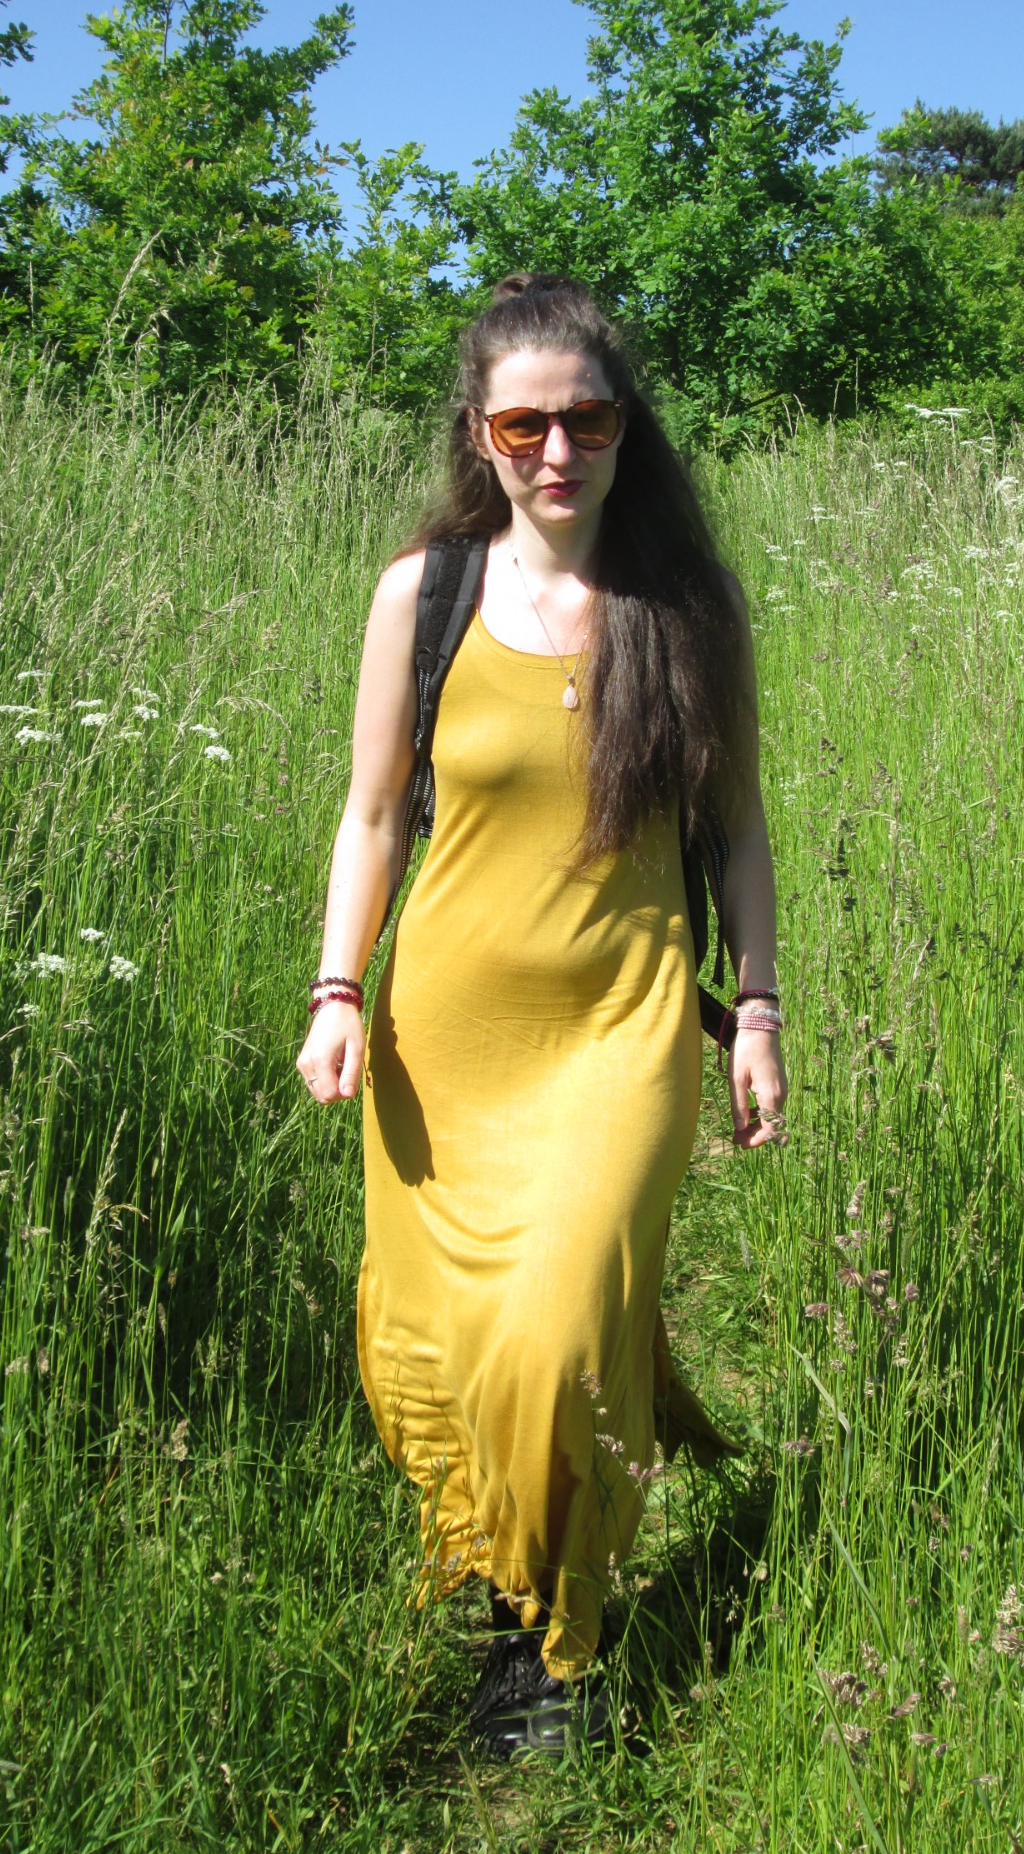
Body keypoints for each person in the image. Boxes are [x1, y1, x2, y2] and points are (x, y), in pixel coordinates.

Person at [295, 273, 787, 1759]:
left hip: (624, 1033)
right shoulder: (425, 594)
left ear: (628, 428)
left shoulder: (685, 609)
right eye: (524, 425)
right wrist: (336, 990)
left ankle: (554, 1648)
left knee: (562, 1330)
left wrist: (760, 1008)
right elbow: (373, 815)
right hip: (441, 1039)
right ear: (481, 433)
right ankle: (505, 1584)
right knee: (452, 1341)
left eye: (587, 419)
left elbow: (739, 827)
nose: (557, 450)